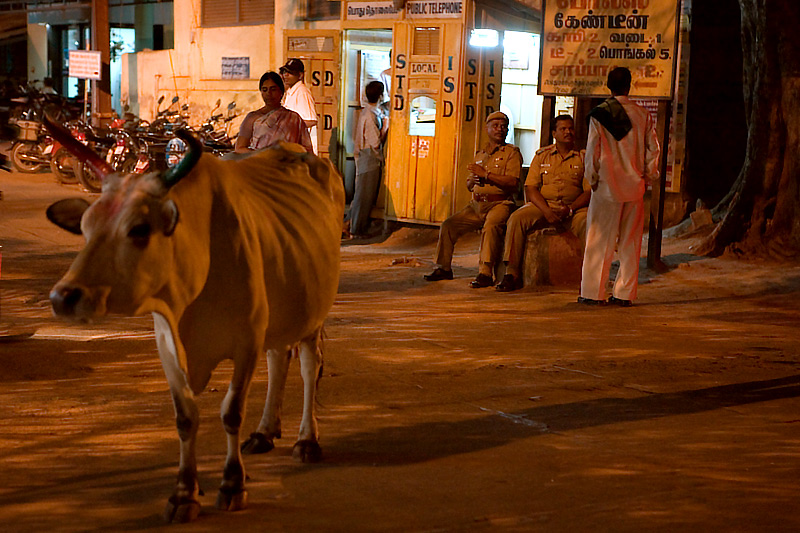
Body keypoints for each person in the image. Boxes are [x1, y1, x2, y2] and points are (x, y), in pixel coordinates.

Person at [578, 66, 660, 306]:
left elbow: (593, 150)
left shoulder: (600, 114)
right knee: (631, 241)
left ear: (608, 85)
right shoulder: (643, 115)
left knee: (599, 240)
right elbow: (653, 151)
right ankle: (624, 294)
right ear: (630, 85)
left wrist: (591, 178)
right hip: (634, 187)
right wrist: (648, 177)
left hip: (606, 186)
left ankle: (593, 292)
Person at [424, 111, 522, 288]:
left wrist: (487, 175)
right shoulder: (481, 154)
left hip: (499, 203)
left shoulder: (511, 153)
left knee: (491, 226)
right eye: (495, 126)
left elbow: (513, 182)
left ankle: (485, 272)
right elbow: (470, 183)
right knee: (449, 225)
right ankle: (443, 267)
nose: (500, 129)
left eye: (503, 126)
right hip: (477, 204)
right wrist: (471, 182)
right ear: (487, 129)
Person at [496, 115, 591, 292]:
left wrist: (570, 209)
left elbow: (588, 191)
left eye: (570, 128)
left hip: (573, 209)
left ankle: (589, 276)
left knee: (588, 223)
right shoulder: (541, 156)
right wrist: (546, 211)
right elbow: (531, 188)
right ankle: (512, 273)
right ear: (554, 133)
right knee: (517, 218)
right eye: (563, 129)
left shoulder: (583, 158)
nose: (568, 132)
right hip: (544, 205)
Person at [346, 80, 389, 238]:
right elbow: (375, 143)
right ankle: (356, 230)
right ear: (381, 96)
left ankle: (352, 226)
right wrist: (385, 127)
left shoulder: (368, 112)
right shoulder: (371, 116)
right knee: (363, 197)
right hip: (369, 159)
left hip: (366, 158)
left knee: (362, 195)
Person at [235, 71, 313, 154]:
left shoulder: (294, 118)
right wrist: (262, 155)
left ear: (281, 92)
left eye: (273, 89)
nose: (269, 93)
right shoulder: (252, 118)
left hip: (288, 165)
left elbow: (307, 151)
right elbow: (240, 148)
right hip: (261, 165)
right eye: (265, 90)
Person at [280, 59, 318, 154]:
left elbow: (311, 120)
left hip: (302, 150)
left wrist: (289, 126)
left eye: (290, 73)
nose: (286, 75)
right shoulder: (291, 92)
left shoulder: (302, 92)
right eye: (285, 72)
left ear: (300, 75)